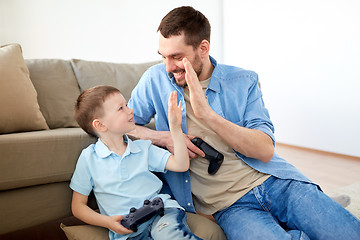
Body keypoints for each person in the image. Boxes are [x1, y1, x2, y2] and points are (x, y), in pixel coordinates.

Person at [127, 6, 360, 240]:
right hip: (231, 207)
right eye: (163, 56)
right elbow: (124, 128)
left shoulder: (243, 81)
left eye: (177, 57)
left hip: (278, 184)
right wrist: (163, 137)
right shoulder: (154, 80)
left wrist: (207, 115)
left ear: (203, 48)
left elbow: (265, 150)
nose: (168, 67)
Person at [70, 85, 203, 240]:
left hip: (161, 213)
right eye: (121, 108)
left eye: (126, 105)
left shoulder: (143, 148)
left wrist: (175, 128)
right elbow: (78, 207)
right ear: (100, 125)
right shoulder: (88, 158)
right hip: (128, 230)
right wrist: (108, 222)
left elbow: (181, 164)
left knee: (168, 235)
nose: (130, 110)